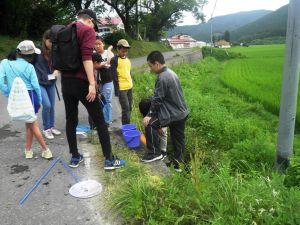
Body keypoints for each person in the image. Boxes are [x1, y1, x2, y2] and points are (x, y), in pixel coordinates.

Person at [60, 9, 125, 169]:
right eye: (94, 23)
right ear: (90, 20)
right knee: (100, 120)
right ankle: (109, 160)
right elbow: (87, 57)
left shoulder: (65, 30)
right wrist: (91, 83)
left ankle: (75, 157)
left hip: (66, 82)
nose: (93, 26)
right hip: (81, 82)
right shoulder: (87, 30)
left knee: (71, 120)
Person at [0, 40, 53, 159]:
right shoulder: (29, 67)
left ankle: (28, 150)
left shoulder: (4, 63)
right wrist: (39, 101)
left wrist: (9, 93)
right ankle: (46, 149)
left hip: (16, 96)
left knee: (29, 124)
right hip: (31, 97)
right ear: (31, 55)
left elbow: (1, 82)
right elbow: (36, 86)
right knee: (32, 124)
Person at [141, 51, 189, 171]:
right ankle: (179, 166)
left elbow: (158, 99)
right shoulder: (171, 73)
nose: (150, 69)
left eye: (150, 66)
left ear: (156, 64)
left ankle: (155, 153)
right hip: (182, 112)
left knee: (150, 123)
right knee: (178, 140)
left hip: (173, 113)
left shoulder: (162, 77)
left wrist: (149, 115)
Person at [34, 29, 61, 140]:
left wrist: (57, 70)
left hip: (51, 83)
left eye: (53, 42)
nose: (51, 44)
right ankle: (46, 128)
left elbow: (59, 64)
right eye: (50, 41)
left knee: (52, 107)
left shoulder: (55, 52)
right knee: (47, 105)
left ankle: (51, 126)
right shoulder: (37, 52)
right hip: (40, 83)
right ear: (45, 40)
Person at [90, 36, 114, 126]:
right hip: (97, 81)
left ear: (103, 44)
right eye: (95, 44)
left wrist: (109, 49)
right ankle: (100, 120)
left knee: (107, 100)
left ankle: (107, 121)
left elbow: (109, 62)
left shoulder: (108, 53)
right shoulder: (93, 54)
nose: (97, 46)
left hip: (108, 80)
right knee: (99, 100)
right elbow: (91, 67)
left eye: (99, 43)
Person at [111, 39, 133, 125]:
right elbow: (114, 76)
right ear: (118, 49)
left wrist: (131, 83)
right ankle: (126, 128)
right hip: (122, 88)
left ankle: (128, 124)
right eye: (123, 51)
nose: (124, 53)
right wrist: (117, 90)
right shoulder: (114, 60)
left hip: (129, 87)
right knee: (126, 108)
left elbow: (129, 72)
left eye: (126, 51)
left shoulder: (127, 60)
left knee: (129, 108)